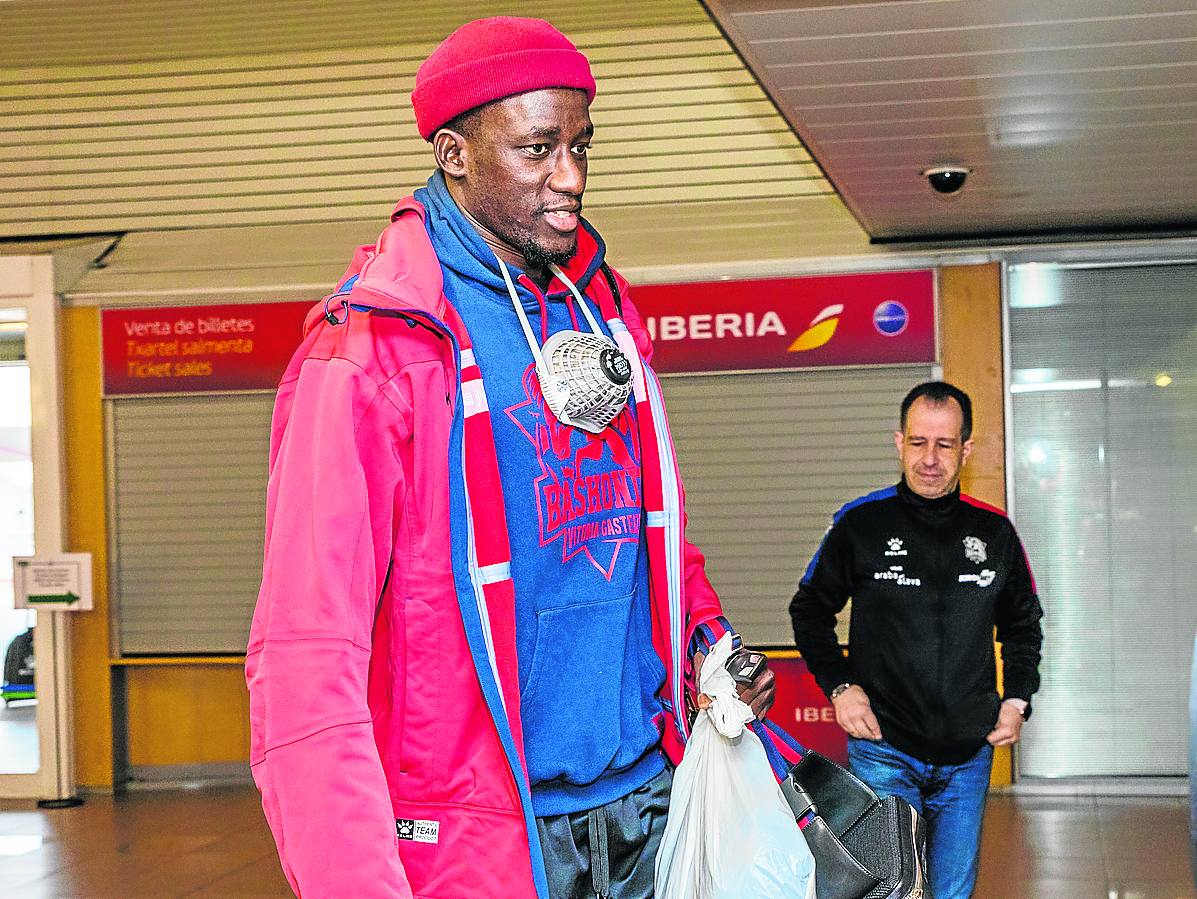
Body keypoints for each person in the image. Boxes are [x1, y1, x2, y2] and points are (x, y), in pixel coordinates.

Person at [246, 17, 774, 899]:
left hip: (646, 800)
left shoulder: (600, 307)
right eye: (537, 150)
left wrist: (705, 639)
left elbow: (636, 529)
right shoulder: (372, 351)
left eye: (580, 146)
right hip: (484, 831)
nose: (569, 178)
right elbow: (307, 647)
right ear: (453, 153)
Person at [789, 381, 1043, 899]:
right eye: (919, 442)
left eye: (945, 444)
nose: (930, 458)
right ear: (899, 441)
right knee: (891, 889)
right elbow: (810, 609)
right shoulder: (861, 524)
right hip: (884, 748)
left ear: (965, 450)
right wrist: (841, 687)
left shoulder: (994, 533)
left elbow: (1023, 625)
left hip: (968, 754)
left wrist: (1017, 698)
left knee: (951, 891)